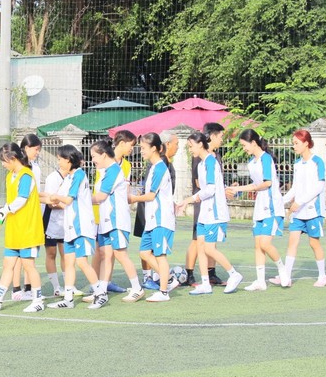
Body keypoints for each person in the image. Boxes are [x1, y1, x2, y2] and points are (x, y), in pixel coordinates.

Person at [0, 143, 46, 313]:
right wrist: (0, 218)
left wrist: (4, 211)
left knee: (29, 266)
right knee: (8, 265)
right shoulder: (10, 176)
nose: (3, 164)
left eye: (4, 161)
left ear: (12, 158)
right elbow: (12, 201)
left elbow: (21, 199)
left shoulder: (26, 175)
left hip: (28, 229)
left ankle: (38, 300)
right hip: (14, 230)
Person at [177, 132, 243, 295]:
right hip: (204, 213)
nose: (190, 149)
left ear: (200, 144)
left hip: (214, 213)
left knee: (209, 249)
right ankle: (205, 283)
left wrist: (189, 199)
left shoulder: (211, 162)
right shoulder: (201, 164)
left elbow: (211, 189)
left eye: (191, 146)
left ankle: (234, 274)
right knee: (200, 247)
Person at [226, 129, 286, 291]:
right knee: (258, 245)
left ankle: (282, 269)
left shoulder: (266, 158)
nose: (243, 148)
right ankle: (260, 281)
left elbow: (267, 183)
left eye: (244, 145)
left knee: (265, 244)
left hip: (272, 206)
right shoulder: (251, 163)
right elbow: (255, 184)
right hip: (260, 207)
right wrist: (237, 189)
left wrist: (241, 189)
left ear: (253, 143)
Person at [47, 144, 105, 309]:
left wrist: (55, 197)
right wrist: (36, 195)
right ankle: (68, 299)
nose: (58, 162)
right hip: (71, 227)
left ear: (68, 159)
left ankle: (100, 294)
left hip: (82, 227)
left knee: (81, 262)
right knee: (69, 262)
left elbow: (67, 199)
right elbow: (55, 198)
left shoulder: (79, 175)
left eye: (60, 159)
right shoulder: (69, 177)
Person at [90, 139, 144, 303]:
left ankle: (137, 288)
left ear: (103, 155)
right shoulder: (105, 172)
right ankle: (101, 290)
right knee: (105, 254)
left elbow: (101, 196)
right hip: (106, 220)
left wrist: (77, 199)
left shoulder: (113, 171)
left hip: (116, 221)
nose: (93, 160)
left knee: (120, 254)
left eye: (94, 156)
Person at [127, 133, 177, 302]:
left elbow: (150, 196)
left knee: (160, 256)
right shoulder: (154, 167)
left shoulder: (160, 168)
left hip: (161, 219)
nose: (141, 151)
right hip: (153, 219)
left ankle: (163, 292)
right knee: (144, 253)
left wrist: (133, 198)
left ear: (154, 148)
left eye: (143, 148)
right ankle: (169, 279)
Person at [278, 130, 326, 287]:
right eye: (293, 143)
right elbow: (295, 187)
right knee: (292, 242)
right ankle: (286, 277)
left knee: (314, 243)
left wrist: (300, 202)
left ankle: (322, 276)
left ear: (306, 143)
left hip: (313, 211)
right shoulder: (297, 164)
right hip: (299, 212)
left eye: (296, 143)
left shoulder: (317, 162)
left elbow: (319, 186)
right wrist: (281, 201)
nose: (294, 146)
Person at [184, 123, 226, 287]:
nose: (222, 140)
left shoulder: (214, 157)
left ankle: (210, 273)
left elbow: (215, 183)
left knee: (210, 242)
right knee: (197, 239)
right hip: (202, 202)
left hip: (210, 201)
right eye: (220, 136)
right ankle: (189, 274)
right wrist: (200, 195)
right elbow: (200, 183)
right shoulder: (199, 158)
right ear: (212, 136)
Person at [11, 133, 43, 300]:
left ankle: (28, 288)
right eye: (35, 149)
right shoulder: (20, 168)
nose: (37, 152)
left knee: (27, 257)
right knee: (18, 256)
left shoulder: (34, 167)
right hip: (21, 215)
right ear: (26, 148)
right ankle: (17, 289)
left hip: (30, 215)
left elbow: (36, 193)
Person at [42, 164, 67, 297]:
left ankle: (69, 286)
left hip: (66, 221)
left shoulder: (73, 177)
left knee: (66, 254)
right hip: (51, 221)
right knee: (51, 253)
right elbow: (51, 203)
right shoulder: (52, 178)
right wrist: (67, 205)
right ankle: (56, 287)